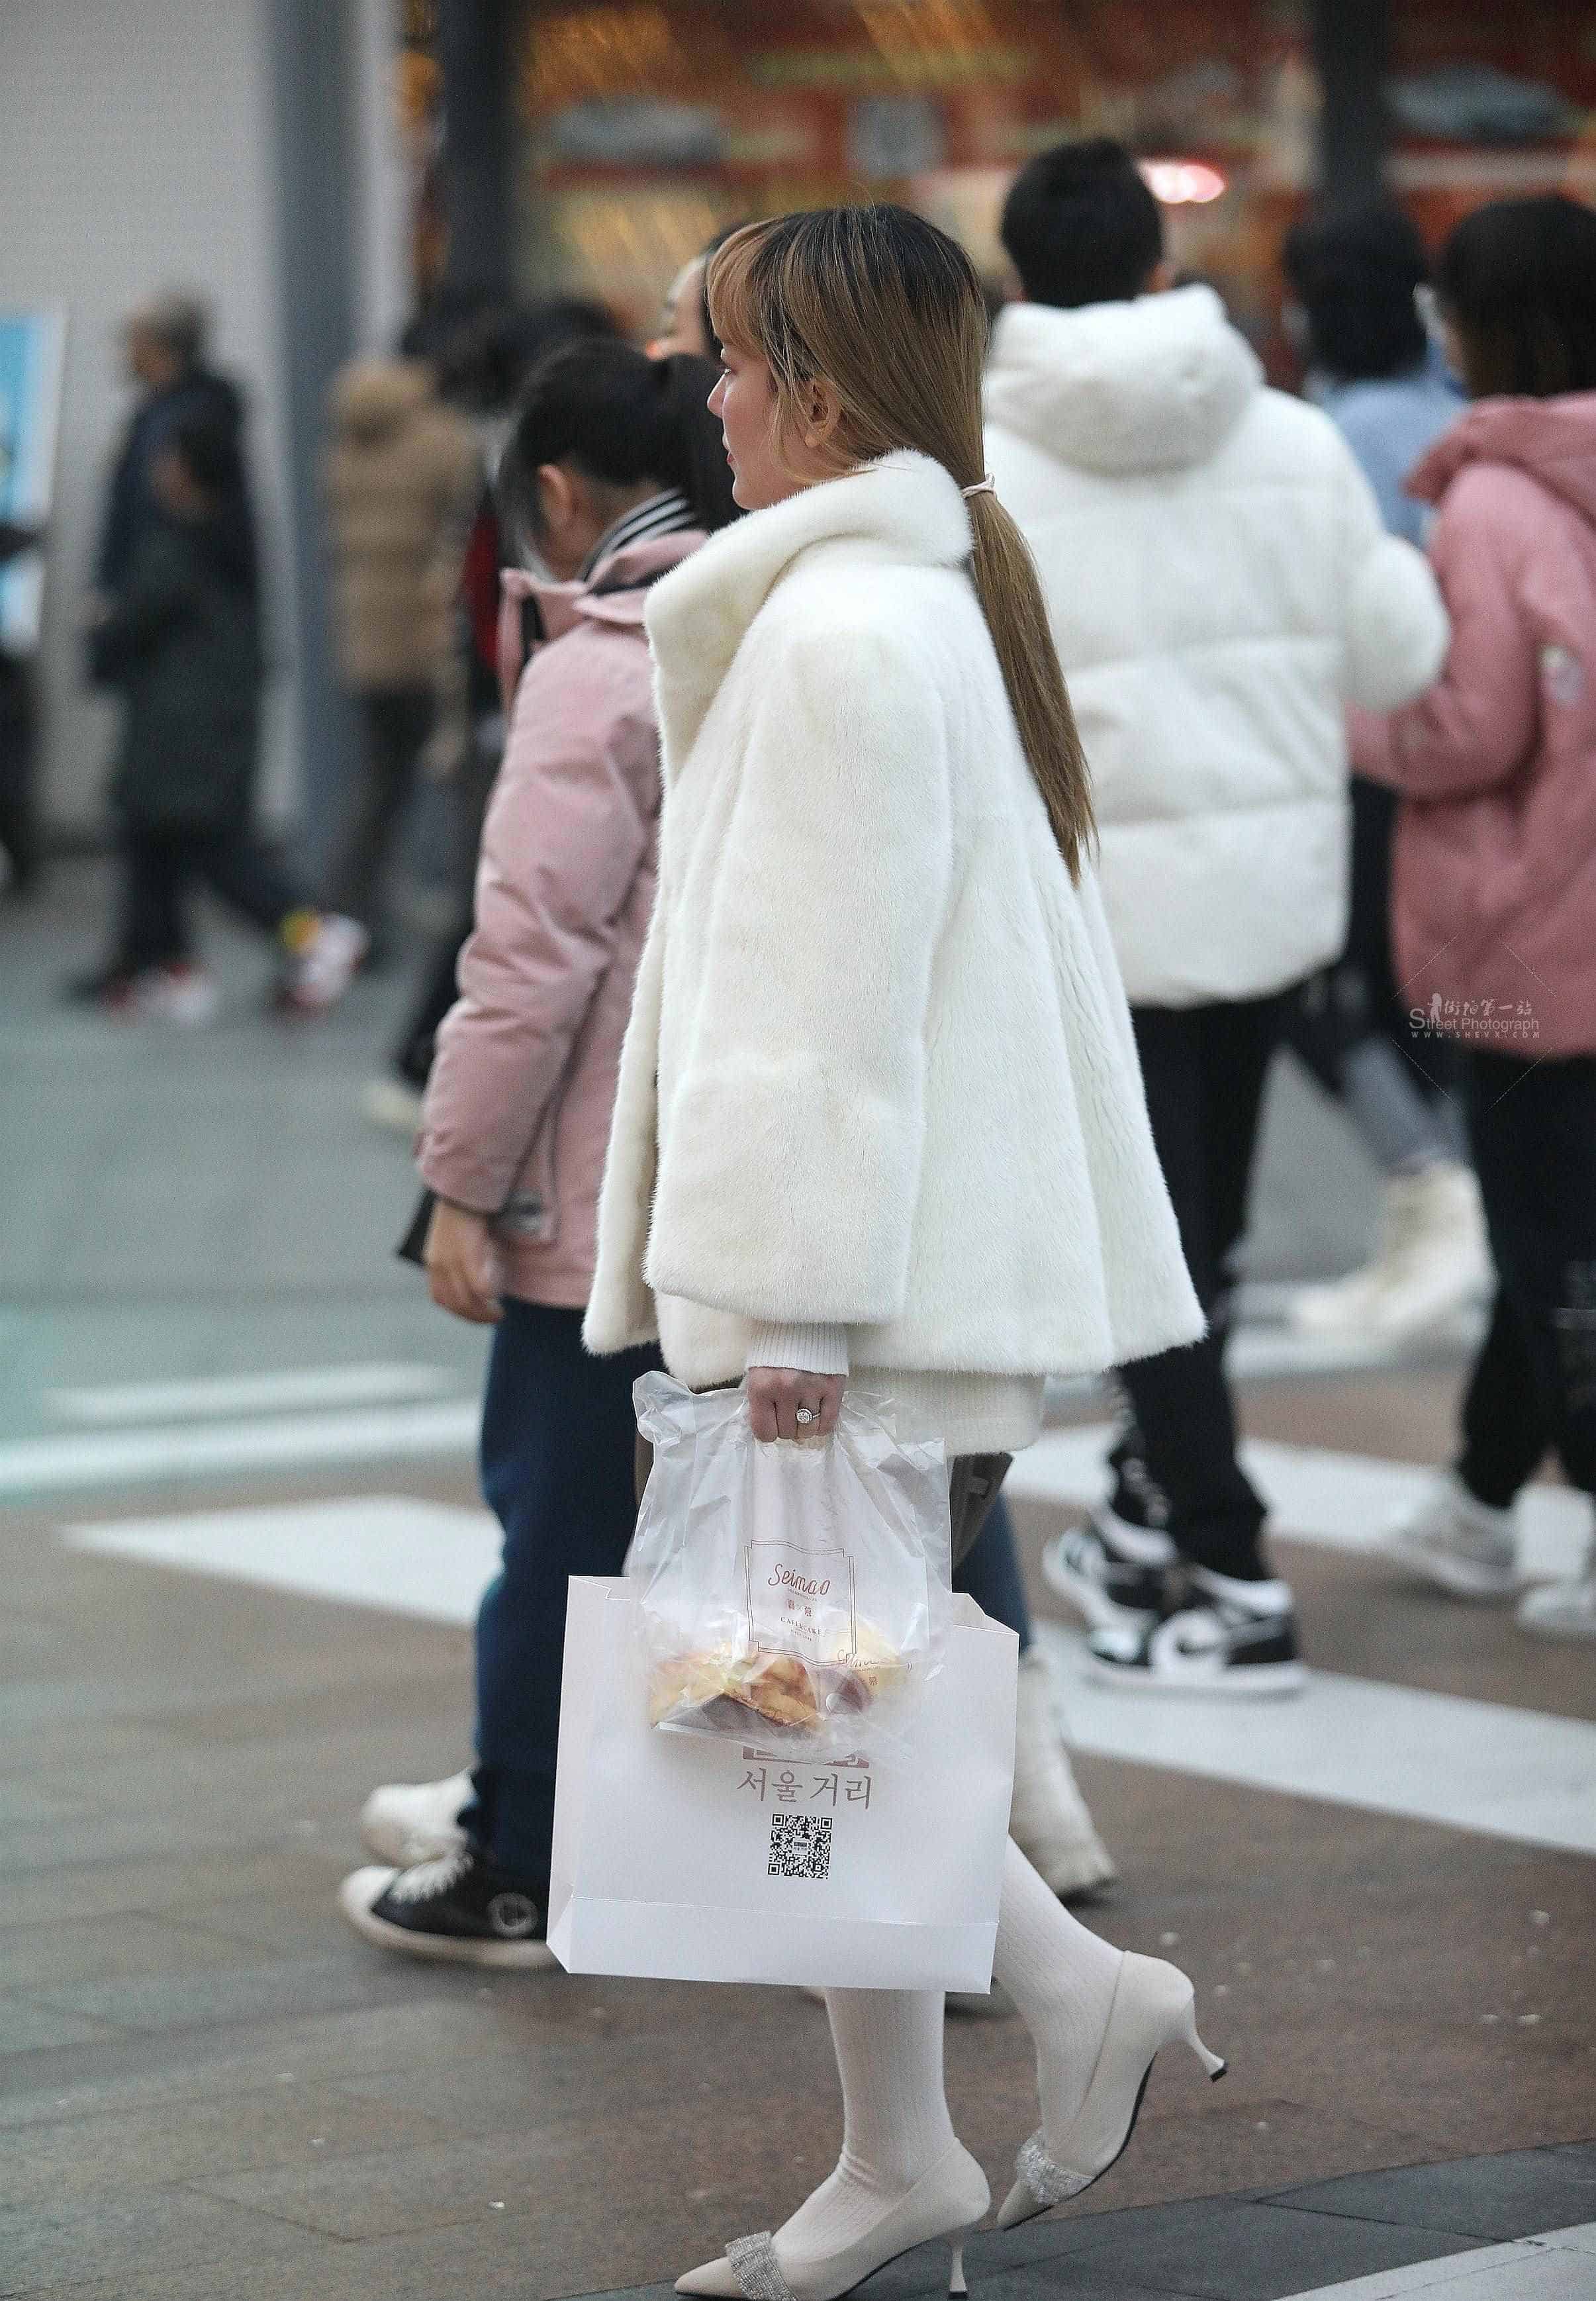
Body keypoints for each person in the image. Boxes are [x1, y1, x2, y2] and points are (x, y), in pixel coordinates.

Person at [581, 202, 1221, 2298]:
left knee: (804, 1711)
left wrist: (783, 1309)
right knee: (814, 1717)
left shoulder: (844, 632)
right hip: (909, 1289)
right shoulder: (907, 604)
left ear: (824, 395)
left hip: (859, 1302)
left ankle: (1032, 2026)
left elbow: (816, 1019)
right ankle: (906, 2142)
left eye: (733, 360)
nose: (709, 399)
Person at [984, 140, 1449, 1690]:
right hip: (1264, 903)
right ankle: (1150, 1509)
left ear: (1016, 278)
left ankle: (1232, 1572)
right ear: (1158, 264)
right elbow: (1395, 657)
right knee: (1206, 1240)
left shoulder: (978, 465)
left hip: (1090, 917)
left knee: (1146, 1257)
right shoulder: (1291, 439)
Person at [338, 341, 736, 1961]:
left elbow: (525, 963)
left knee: (563, 1526)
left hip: (599, 1190)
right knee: (746, 1528)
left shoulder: (597, 667)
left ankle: (518, 1855)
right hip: (752, 1168)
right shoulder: (773, 620)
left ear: (558, 496)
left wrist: (457, 1178)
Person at [1358, 195, 1596, 1641]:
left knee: (1551, 1246)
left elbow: (1468, 725)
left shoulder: (1496, 500)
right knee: (1558, 1231)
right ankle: (1476, 1495)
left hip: (1528, 937)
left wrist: (1353, 719)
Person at [1280, 203, 1489, 1344]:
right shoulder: (1458, 418)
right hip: (1467, 753)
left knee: (1325, 989)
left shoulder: (1332, 438)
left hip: (1361, 755)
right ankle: (1458, 1196)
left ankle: (1433, 1186)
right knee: (1436, 994)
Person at [76, 411, 363, 1017]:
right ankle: (166, 964)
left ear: (187, 471)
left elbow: (125, 623)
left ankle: (310, 931)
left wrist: (102, 619)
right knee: (156, 845)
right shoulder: (228, 541)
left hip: (182, 736)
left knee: (219, 858)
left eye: (168, 458)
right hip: (199, 729)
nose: (158, 469)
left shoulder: (178, 545)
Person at [319, 341, 479, 956]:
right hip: (423, 629)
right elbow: (462, 525)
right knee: (462, 776)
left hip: (364, 633)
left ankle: (348, 909)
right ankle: (472, 913)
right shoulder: (443, 438)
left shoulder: (348, 439)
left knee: (379, 781)